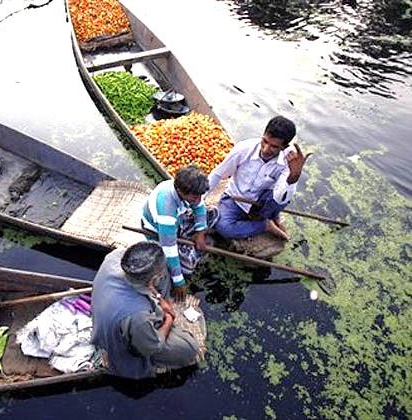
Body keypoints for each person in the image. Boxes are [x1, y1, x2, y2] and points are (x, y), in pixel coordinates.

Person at [91, 241, 200, 379]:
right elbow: (152, 347)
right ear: (152, 279)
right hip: (122, 340)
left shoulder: (113, 257)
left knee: (164, 274)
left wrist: (160, 298)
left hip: (117, 306)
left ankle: (158, 302)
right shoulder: (138, 316)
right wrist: (169, 319)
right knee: (189, 348)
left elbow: (150, 283)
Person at [207, 115, 312, 241]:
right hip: (236, 199)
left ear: (283, 147)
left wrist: (293, 178)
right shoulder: (244, 148)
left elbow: (280, 197)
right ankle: (265, 225)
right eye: (265, 141)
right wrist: (199, 200)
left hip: (263, 202)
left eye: (274, 146)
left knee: (281, 200)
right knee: (224, 227)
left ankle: (266, 216)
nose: (266, 149)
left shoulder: (289, 160)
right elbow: (218, 174)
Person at [141, 164, 218, 301]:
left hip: (179, 221)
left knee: (214, 213)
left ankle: (191, 240)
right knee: (187, 268)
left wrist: (200, 234)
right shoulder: (166, 212)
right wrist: (179, 281)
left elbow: (199, 207)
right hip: (160, 233)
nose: (198, 200)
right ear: (180, 191)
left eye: (200, 196)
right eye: (195, 197)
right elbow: (169, 249)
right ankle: (189, 249)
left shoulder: (189, 192)